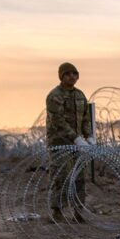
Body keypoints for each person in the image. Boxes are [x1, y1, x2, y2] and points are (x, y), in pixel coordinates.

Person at [45, 62, 94, 222]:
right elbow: (57, 121)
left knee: (79, 177)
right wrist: (76, 138)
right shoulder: (55, 96)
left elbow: (86, 117)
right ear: (61, 76)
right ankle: (57, 212)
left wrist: (89, 136)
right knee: (61, 176)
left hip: (78, 144)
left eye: (74, 73)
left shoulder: (80, 95)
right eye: (68, 74)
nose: (72, 76)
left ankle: (78, 212)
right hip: (59, 143)